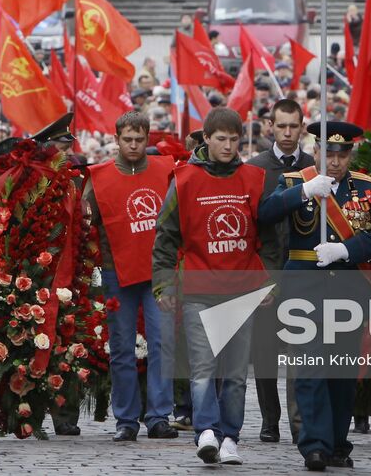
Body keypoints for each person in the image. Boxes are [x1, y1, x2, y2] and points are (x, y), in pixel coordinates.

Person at [152, 108, 281, 466]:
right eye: (220, 139)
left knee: (237, 375)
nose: (227, 145)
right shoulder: (183, 179)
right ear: (206, 139)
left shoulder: (255, 179)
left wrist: (269, 281)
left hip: (242, 290)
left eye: (233, 139)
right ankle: (206, 431)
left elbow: (269, 239)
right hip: (199, 288)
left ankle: (230, 438)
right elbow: (165, 237)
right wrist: (164, 285)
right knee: (203, 369)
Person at [258, 120, 371, 472]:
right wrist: (303, 192)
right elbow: (265, 214)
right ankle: (314, 446)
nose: (335, 161)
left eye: (342, 154)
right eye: (328, 153)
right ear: (316, 151)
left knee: (341, 373)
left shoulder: (366, 188)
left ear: (350, 155)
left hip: (347, 287)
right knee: (310, 368)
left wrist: (345, 250)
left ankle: (336, 443)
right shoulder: (296, 181)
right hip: (304, 288)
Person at [84, 112, 178, 442]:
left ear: (147, 138)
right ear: (117, 139)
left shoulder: (166, 170)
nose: (134, 145)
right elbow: (84, 224)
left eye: (140, 139)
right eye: (128, 139)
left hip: (158, 272)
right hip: (116, 272)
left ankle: (158, 416)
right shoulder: (98, 178)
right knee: (122, 349)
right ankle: (126, 419)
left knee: (163, 344)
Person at [247, 98, 316, 444]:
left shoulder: (314, 166)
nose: (288, 133)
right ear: (270, 126)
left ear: (303, 126)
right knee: (265, 352)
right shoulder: (256, 167)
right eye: (282, 126)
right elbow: (251, 222)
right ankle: (269, 419)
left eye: (294, 126)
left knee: (301, 351)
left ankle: (299, 422)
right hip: (267, 269)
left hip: (304, 269)